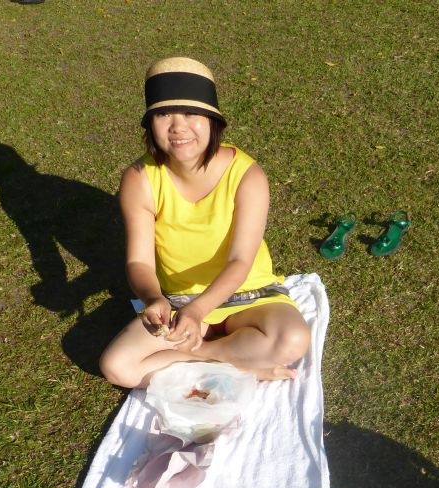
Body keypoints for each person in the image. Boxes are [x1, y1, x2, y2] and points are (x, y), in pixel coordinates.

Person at [99, 57, 310, 389]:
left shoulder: (247, 175)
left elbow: (241, 261)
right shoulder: (139, 178)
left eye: (192, 113)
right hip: (177, 301)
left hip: (247, 294)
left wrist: (199, 314)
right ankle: (241, 365)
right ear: (150, 124)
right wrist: (154, 298)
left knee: (293, 339)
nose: (178, 127)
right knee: (117, 367)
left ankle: (205, 354)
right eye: (163, 114)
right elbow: (139, 260)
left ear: (214, 122)